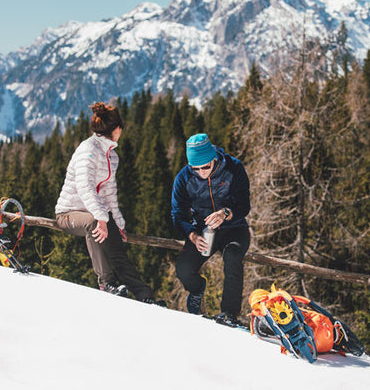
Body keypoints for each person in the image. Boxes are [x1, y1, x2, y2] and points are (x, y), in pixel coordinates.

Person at [55, 102, 163, 305]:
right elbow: (85, 187)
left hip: (96, 214)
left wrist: (117, 223)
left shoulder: (112, 156)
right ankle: (106, 283)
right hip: (68, 214)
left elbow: (110, 194)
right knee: (94, 225)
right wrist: (102, 219)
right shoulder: (87, 150)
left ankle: (143, 294)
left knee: (116, 248)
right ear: (116, 129)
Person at [171, 133, 251, 325]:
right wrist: (191, 234)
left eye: (205, 166)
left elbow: (244, 204)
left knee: (233, 257)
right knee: (183, 269)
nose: (201, 172)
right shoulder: (183, 178)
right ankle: (197, 289)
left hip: (234, 227)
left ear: (213, 158)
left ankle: (229, 313)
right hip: (203, 231)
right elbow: (177, 214)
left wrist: (225, 213)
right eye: (195, 168)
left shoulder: (233, 168)